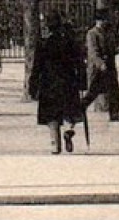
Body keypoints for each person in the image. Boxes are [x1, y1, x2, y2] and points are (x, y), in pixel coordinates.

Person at [29, 11, 88, 154]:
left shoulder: (43, 43)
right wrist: (82, 81)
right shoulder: (69, 41)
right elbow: (79, 62)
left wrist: (33, 84)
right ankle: (69, 129)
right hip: (68, 81)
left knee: (52, 115)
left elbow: (37, 66)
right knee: (70, 111)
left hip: (49, 82)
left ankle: (55, 144)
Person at [83, 10, 119, 121]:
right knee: (93, 91)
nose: (104, 23)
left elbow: (111, 48)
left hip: (109, 66)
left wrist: (118, 49)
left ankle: (115, 113)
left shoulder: (108, 33)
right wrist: (100, 63)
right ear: (97, 21)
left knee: (114, 90)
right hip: (98, 68)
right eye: (102, 20)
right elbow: (93, 52)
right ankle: (80, 109)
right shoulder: (92, 33)